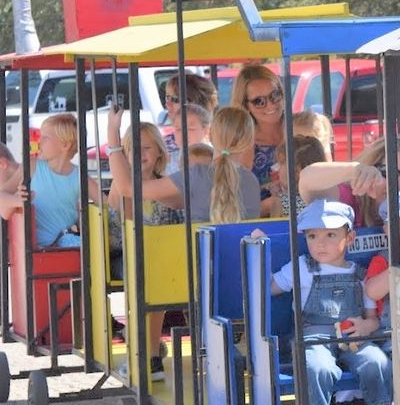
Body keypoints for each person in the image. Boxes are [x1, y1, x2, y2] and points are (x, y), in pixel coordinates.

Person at [261, 199, 392, 405]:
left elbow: (372, 317)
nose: (320, 243)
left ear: (350, 237)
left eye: (330, 235)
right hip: (314, 335)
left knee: (377, 362)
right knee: (317, 367)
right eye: (312, 236)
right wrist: (257, 251)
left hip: (351, 336)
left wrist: (367, 326)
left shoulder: (360, 275)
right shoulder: (301, 268)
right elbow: (269, 287)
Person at [105, 122, 184, 380]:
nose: (139, 154)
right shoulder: (121, 185)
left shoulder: (167, 185)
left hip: (161, 258)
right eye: (132, 148)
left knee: (154, 274)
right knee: (145, 274)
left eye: (147, 148)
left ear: (160, 152)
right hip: (126, 256)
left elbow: (177, 205)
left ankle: (148, 353)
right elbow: (122, 229)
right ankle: (145, 355)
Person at [107, 106, 260, 224]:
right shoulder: (252, 182)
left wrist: (112, 131)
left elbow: (126, 188)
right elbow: (176, 202)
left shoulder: (195, 175)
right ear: (249, 141)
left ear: (211, 136)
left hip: (198, 262)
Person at [0, 113, 100, 248]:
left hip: (69, 249)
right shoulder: (32, 166)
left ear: (65, 145)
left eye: (45, 138)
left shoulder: (79, 176)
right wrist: (18, 201)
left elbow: (106, 205)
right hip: (35, 252)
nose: (39, 142)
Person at [228, 64, 286, 209]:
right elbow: (234, 208)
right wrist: (270, 205)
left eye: (275, 95)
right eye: (259, 101)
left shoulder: (301, 129)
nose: (270, 105)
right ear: (245, 105)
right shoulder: (240, 143)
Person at [267, 135, 327, 217]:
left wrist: (275, 197)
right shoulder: (326, 199)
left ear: (297, 169)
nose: (277, 169)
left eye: (281, 163)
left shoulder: (280, 203)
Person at [165, 103, 212, 175]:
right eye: (178, 129)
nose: (183, 134)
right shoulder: (169, 161)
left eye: (190, 129)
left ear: (206, 130)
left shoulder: (215, 158)